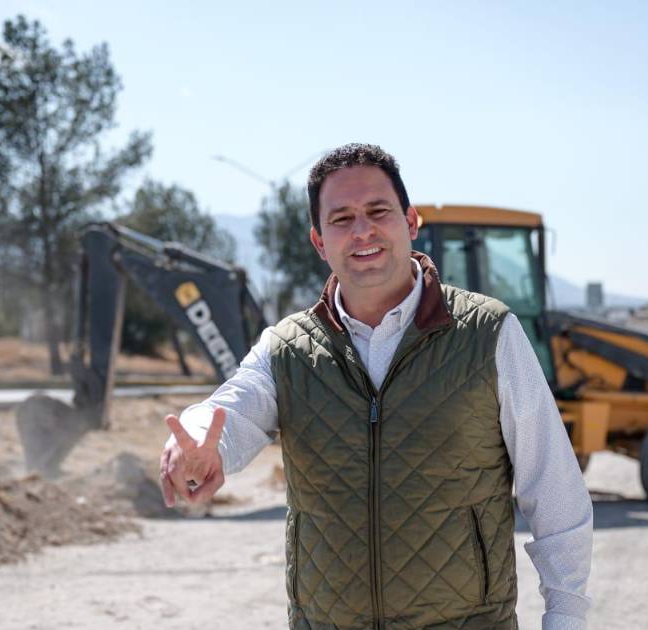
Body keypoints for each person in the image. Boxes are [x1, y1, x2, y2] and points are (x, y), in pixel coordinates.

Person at [159, 144, 593, 629]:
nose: (362, 230)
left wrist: (566, 617)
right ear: (319, 242)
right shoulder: (287, 349)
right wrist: (199, 441)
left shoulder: (488, 333)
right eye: (341, 219)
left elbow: (554, 490)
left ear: (410, 221)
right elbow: (235, 405)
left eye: (378, 211)